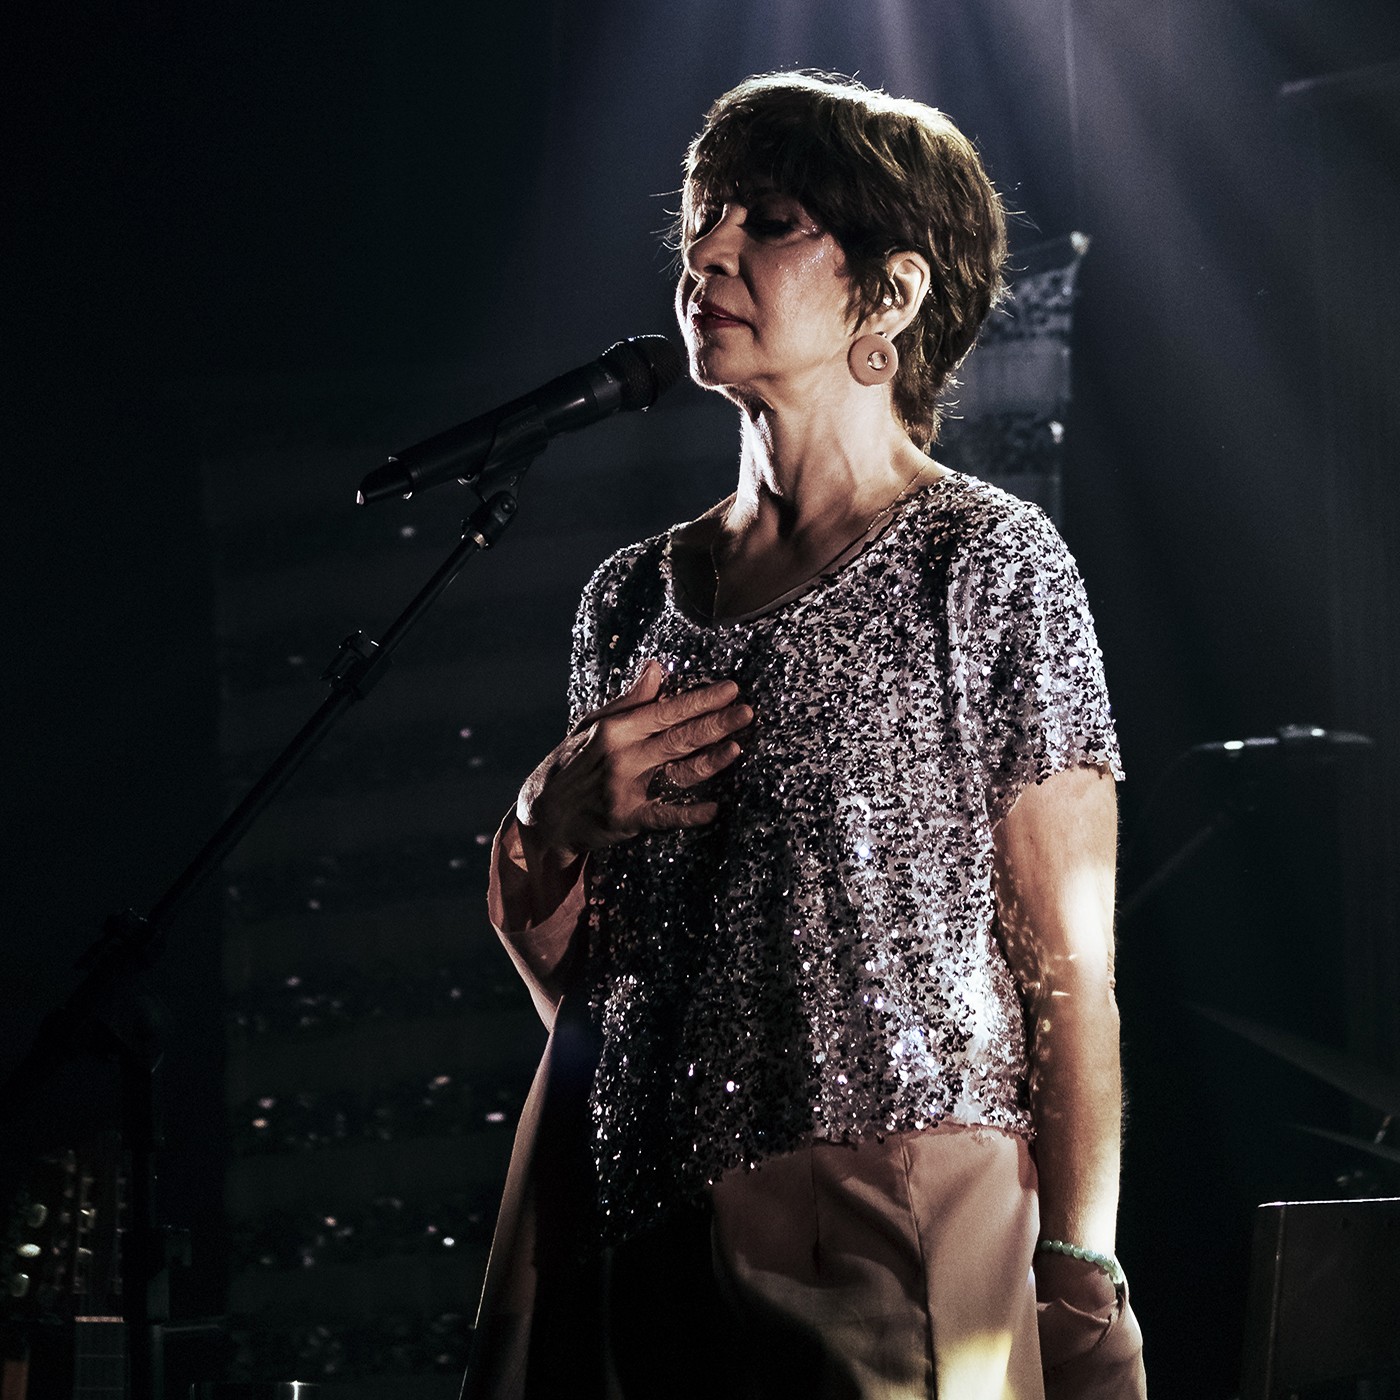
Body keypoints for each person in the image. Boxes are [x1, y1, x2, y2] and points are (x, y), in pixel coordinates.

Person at [463, 71, 1146, 1400]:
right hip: (639, 1223)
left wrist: (1076, 1276)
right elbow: (602, 993)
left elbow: (1069, 969)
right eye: (701, 223)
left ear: (890, 296)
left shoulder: (987, 560)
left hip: (896, 1230)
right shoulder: (627, 598)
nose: (707, 252)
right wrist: (550, 824)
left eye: (766, 220)